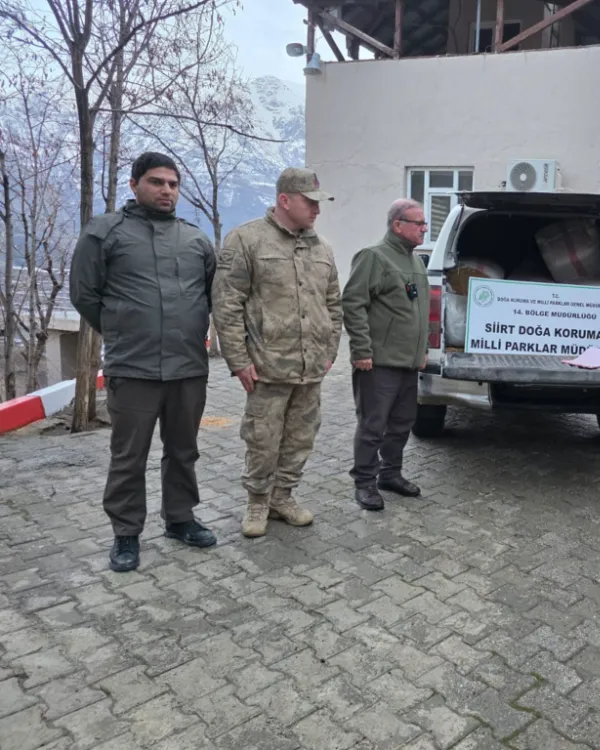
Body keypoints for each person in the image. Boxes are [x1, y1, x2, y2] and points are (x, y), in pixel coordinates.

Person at [69, 152, 217, 572]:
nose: (166, 190)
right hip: (133, 368)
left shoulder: (195, 240)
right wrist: (123, 329)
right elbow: (84, 294)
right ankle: (126, 533)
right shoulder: (105, 233)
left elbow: (210, 296)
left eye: (173, 184)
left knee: (184, 450)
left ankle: (180, 519)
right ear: (134, 185)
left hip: (187, 367)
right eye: (156, 182)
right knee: (129, 455)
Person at [212, 167, 343, 538]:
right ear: (284, 200)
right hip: (267, 367)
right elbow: (226, 304)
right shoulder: (247, 240)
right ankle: (257, 501)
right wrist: (238, 361)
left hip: (310, 367)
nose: (317, 210)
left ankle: (282, 496)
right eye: (310, 202)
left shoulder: (322, 248)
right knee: (263, 439)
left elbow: (334, 303)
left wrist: (330, 350)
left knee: (301, 437)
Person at [342, 198, 430, 512]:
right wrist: (361, 350)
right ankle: (365, 482)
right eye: (419, 223)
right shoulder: (374, 257)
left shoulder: (416, 262)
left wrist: (422, 350)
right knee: (372, 425)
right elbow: (353, 303)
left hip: (408, 362)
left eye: (424, 223)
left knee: (403, 422)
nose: (424, 228)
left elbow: (419, 312)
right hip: (378, 363)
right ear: (397, 225)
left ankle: (390, 474)